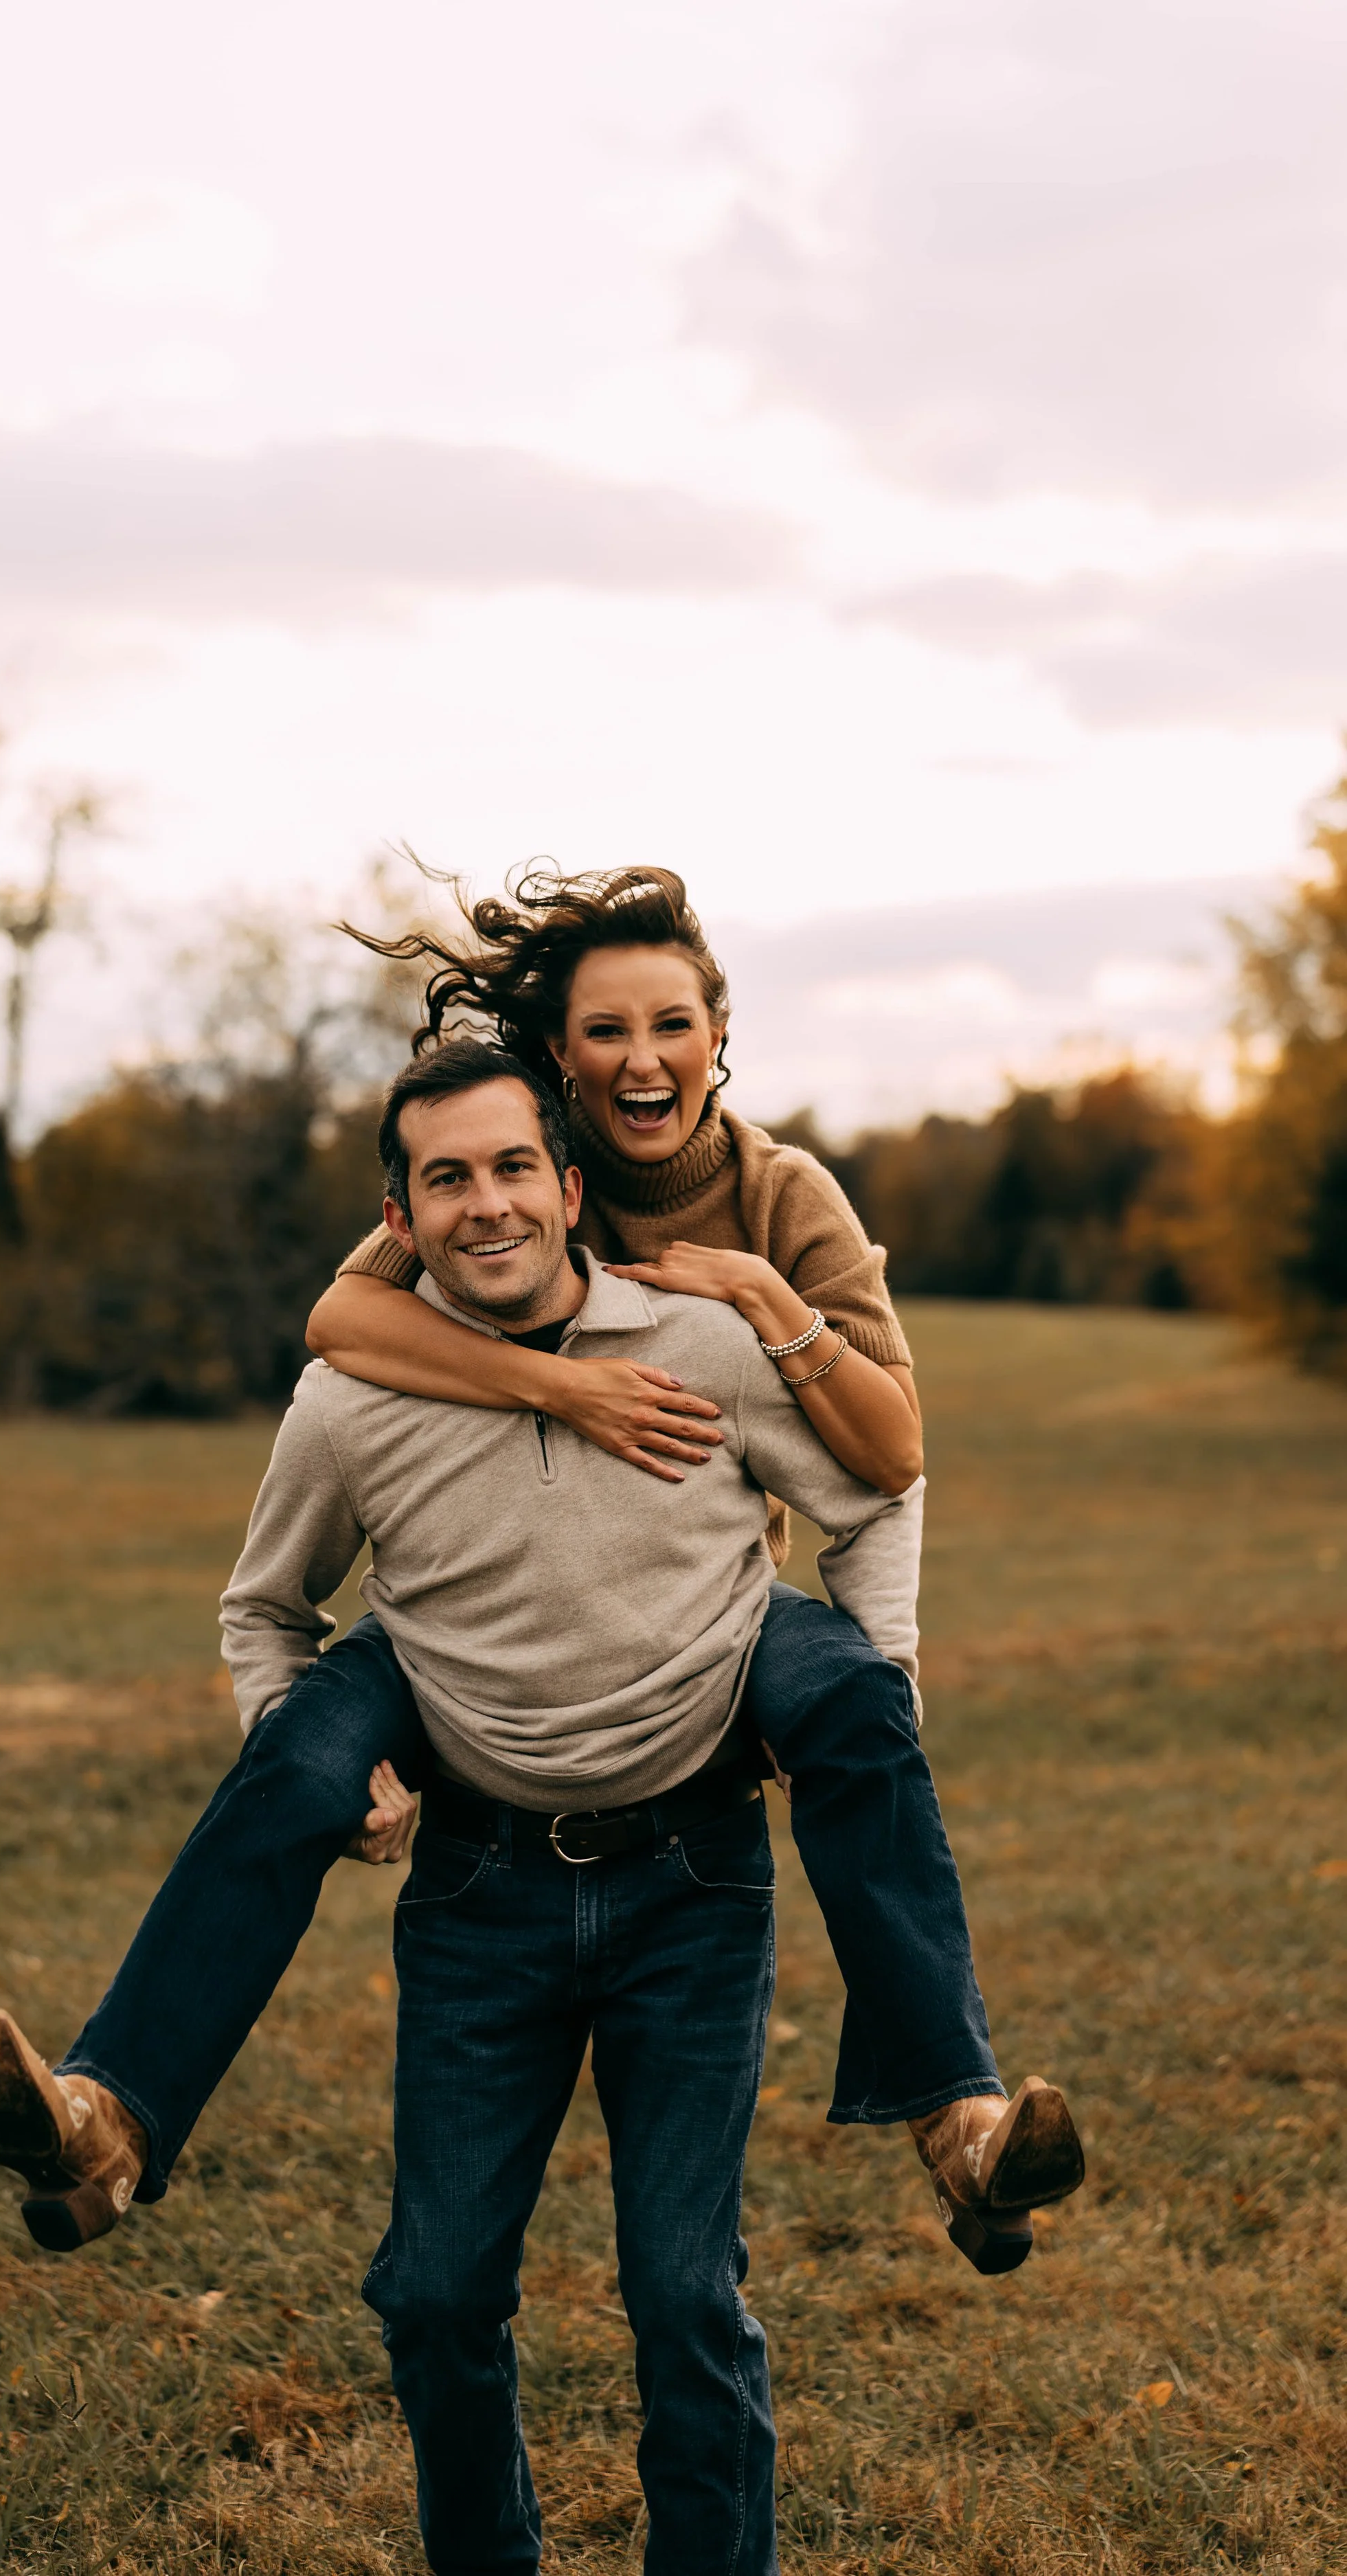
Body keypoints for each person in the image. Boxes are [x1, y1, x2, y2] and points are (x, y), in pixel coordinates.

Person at [0, 869, 1074, 2277]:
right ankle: (103, 2116)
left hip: (709, 1595)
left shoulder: (785, 1200)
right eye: (603, 1029)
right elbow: (341, 1317)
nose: (638, 1058)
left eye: (669, 1023)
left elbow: (887, 1459)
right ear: (560, 1057)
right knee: (300, 1761)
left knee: (857, 1709)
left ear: (715, 1033)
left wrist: (779, 1319)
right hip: (470, 1600)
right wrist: (560, 1393)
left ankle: (959, 2126)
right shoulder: (501, 1156)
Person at [227, 1042, 1079, 2573]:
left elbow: (880, 1475)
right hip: (480, 1892)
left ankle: (953, 2115)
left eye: (508, 1170)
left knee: (685, 2296)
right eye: (444, 1179)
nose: (483, 1204)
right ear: (399, 1216)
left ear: (567, 1187)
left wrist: (866, 1676)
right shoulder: (353, 1392)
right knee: (430, 2296)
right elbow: (263, 1605)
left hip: (688, 1880)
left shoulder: (717, 1306)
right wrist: (314, 1746)